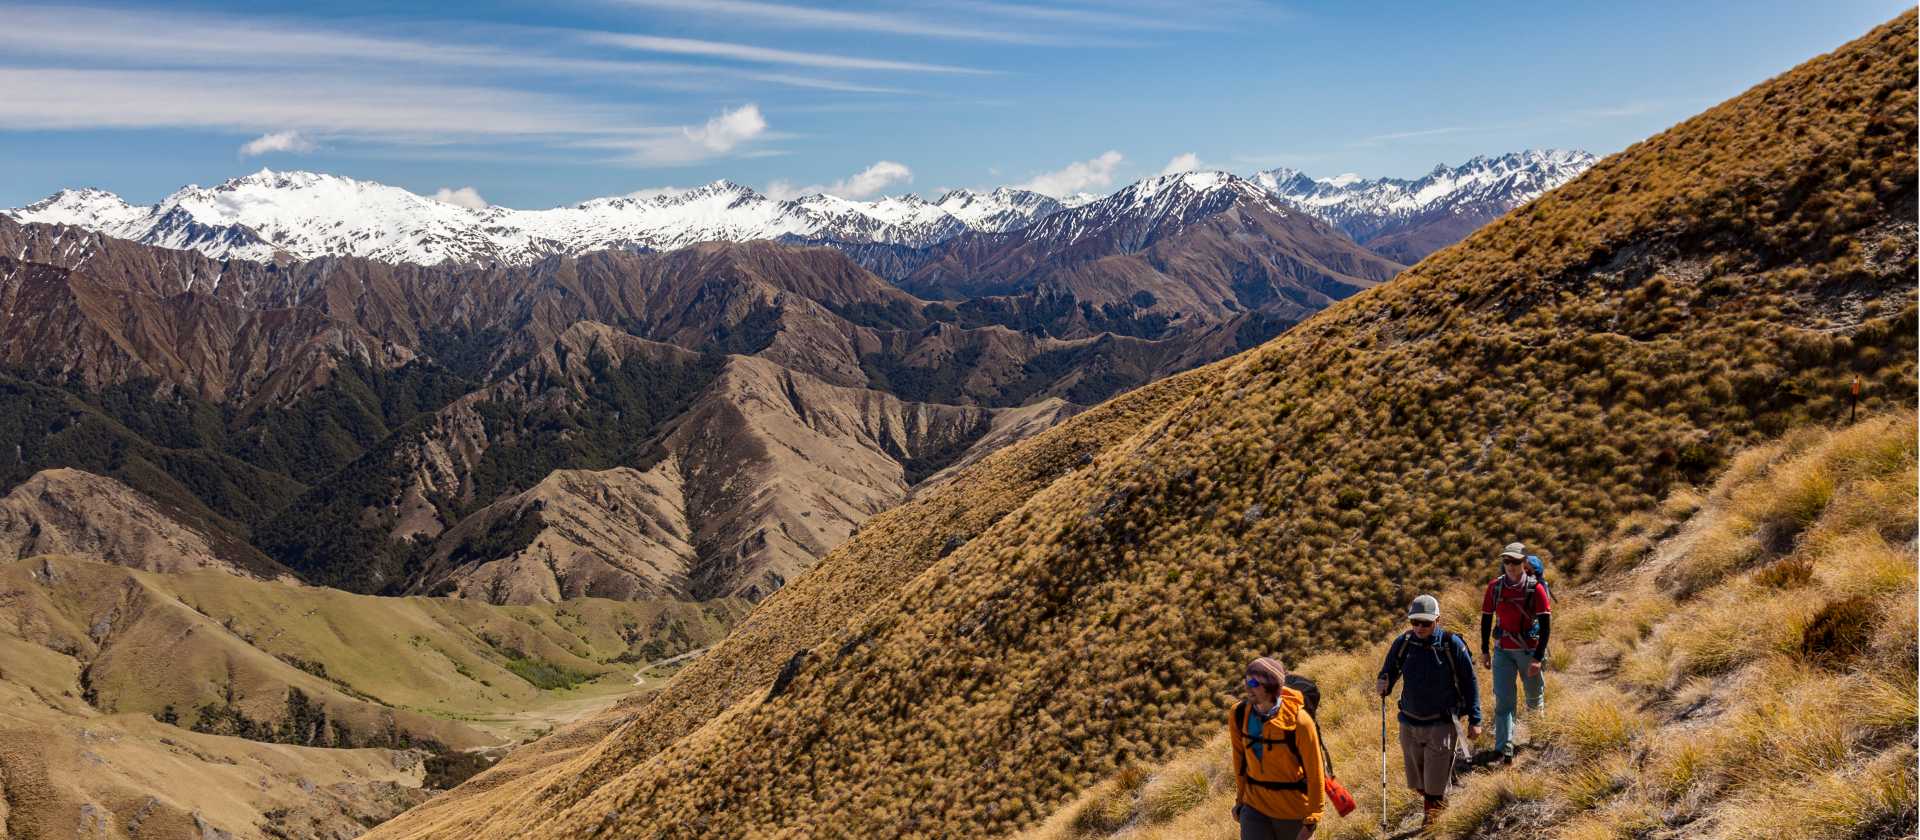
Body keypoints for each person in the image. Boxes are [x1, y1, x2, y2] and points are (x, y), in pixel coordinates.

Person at [1376, 595, 1482, 828]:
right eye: (1415, 622)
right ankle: (1438, 795)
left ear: (1437, 620)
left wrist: (1475, 719)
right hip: (1409, 723)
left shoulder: (1452, 644)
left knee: (1434, 784)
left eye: (1425, 623)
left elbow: (1469, 681)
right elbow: (1389, 671)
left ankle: (1431, 823)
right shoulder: (1403, 643)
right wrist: (1383, 683)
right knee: (1418, 783)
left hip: (1441, 723)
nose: (1419, 628)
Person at [1230, 656, 1324, 840]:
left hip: (1292, 810)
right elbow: (1239, 762)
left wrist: (1312, 820)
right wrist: (1240, 801)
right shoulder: (1239, 714)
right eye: (1246, 681)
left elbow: (1315, 772)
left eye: (1254, 683)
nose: (1248, 687)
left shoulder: (1300, 721)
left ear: (1272, 686)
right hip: (1254, 808)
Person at [1481, 542, 1552, 764]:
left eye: (1516, 561)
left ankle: (1537, 740)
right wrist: (1484, 650)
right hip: (1503, 651)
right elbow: (1486, 618)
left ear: (1524, 563)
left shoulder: (1535, 589)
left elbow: (1546, 627)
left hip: (1529, 651)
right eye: (1507, 561)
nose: (1511, 566)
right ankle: (1504, 749)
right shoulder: (1495, 587)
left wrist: (1537, 658)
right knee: (1504, 700)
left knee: (1534, 697)